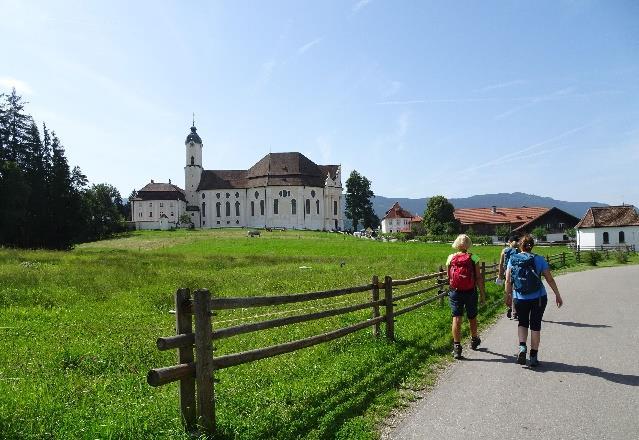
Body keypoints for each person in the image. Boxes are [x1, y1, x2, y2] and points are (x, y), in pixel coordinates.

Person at [505, 234, 563, 367]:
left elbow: (508, 280)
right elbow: (549, 279)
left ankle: (522, 348)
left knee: (522, 322)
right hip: (538, 298)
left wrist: (508, 296)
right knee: (535, 325)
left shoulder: (513, 259)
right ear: (532, 246)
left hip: (519, 297)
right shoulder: (539, 259)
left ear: (520, 245)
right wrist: (557, 294)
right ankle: (533, 356)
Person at [446, 234, 486, 359]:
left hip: (455, 291)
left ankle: (457, 347)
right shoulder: (473, 257)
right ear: (468, 244)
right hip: (470, 291)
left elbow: (449, 277)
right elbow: (478, 277)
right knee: (472, 316)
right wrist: (482, 294)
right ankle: (474, 340)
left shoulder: (451, 257)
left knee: (456, 318)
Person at [498, 237, 519, 319]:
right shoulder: (519, 250)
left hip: (507, 273)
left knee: (508, 292)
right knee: (516, 292)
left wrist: (500, 275)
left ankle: (511, 308)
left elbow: (501, 264)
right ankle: (515, 310)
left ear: (509, 242)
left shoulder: (504, 251)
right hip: (517, 273)